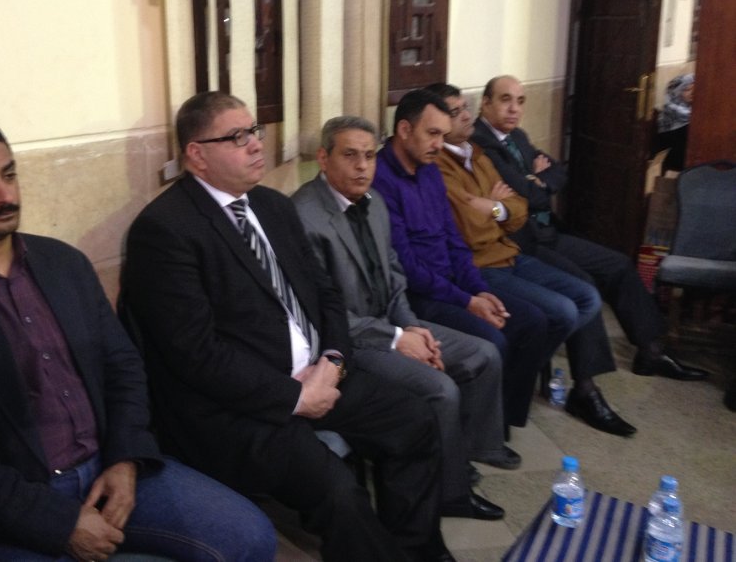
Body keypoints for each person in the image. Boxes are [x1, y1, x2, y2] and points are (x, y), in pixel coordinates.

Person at [0, 115, 278, 562]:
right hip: (13, 503)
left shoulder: (63, 264)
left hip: (107, 469)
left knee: (250, 537)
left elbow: (123, 367)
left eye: (9, 175)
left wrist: (125, 460)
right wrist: (59, 522)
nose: (4, 195)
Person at [120, 92, 454, 562]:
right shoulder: (165, 230)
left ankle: (417, 551)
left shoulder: (273, 206)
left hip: (319, 374)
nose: (257, 144)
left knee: (414, 419)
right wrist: (295, 396)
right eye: (237, 137)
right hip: (241, 406)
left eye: (254, 131)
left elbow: (326, 295)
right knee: (338, 491)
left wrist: (333, 361)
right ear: (197, 155)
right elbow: (195, 354)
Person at [292, 116, 518, 523]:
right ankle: (451, 493)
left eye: (369, 156)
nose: (362, 166)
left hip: (391, 322)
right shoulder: (305, 216)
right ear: (324, 159)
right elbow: (325, 313)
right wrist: (398, 339)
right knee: (439, 388)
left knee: (483, 354)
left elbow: (395, 278)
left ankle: (465, 454)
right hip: (349, 341)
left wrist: (413, 327)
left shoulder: (375, 203)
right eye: (350, 155)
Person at [430, 82, 638, 438]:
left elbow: (521, 206)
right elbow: (470, 228)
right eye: (456, 112)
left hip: (514, 245)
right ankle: (516, 386)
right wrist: (502, 205)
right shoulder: (442, 164)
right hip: (483, 261)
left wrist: (496, 206)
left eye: (465, 107)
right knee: (561, 311)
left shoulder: (478, 151)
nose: (467, 116)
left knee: (587, 295)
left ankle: (532, 376)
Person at [470, 75, 707, 383]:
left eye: (521, 101)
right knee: (583, 285)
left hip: (547, 231)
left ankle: (651, 351)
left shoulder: (517, 136)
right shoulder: (481, 144)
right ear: (485, 103)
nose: (514, 109)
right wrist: (536, 181)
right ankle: (585, 387)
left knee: (619, 265)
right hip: (520, 241)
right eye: (505, 100)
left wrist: (538, 181)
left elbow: (557, 172)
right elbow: (530, 196)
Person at [370, 88, 559, 429]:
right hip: (418, 295)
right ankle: (476, 434)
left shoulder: (429, 170)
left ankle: (502, 423)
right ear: (404, 130)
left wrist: (478, 289)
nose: (439, 144)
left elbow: (453, 240)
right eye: (432, 133)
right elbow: (406, 265)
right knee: (492, 339)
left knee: (532, 321)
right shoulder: (380, 180)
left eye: (443, 135)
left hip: (454, 284)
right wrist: (467, 301)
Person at [655, 73, 695, 173]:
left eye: (694, 88)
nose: (692, 93)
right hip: (675, 163)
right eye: (687, 89)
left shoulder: (696, 110)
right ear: (676, 92)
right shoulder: (670, 112)